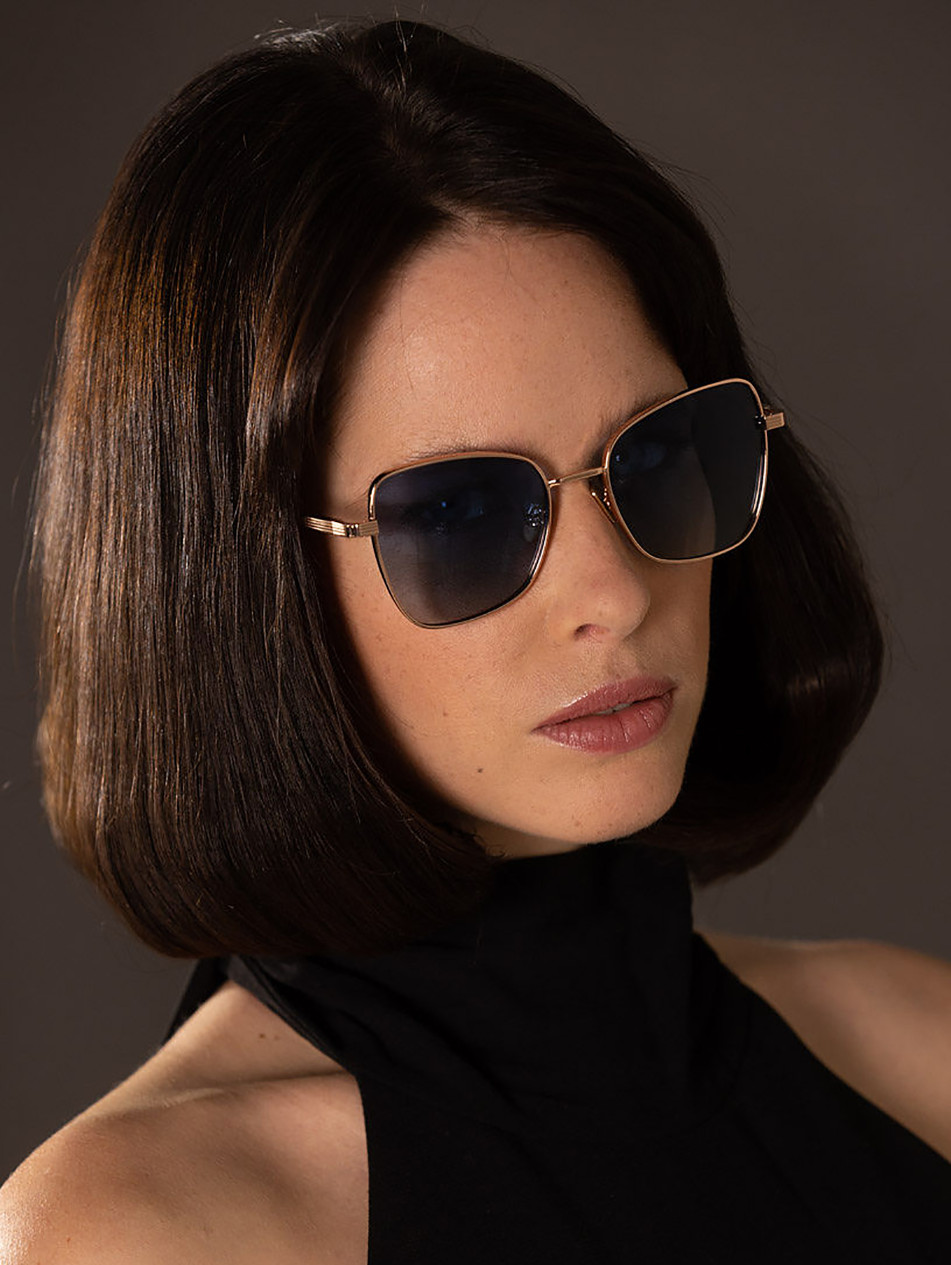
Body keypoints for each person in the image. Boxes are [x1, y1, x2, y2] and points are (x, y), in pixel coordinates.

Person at [2, 17, 949, 1264]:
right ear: (243, 587)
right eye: (459, 513)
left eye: (658, 455)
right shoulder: (143, 1229)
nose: (615, 590)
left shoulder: (915, 1052)